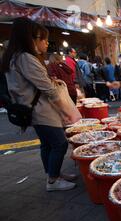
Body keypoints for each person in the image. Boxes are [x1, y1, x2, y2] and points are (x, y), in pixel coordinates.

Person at [2, 17, 76, 191]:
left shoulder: (13, 56)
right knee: (60, 143)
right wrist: (66, 111)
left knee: (47, 143)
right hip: (41, 110)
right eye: (42, 38)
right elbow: (48, 90)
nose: (46, 42)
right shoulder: (25, 58)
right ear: (31, 38)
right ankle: (53, 180)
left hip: (30, 108)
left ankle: (52, 173)